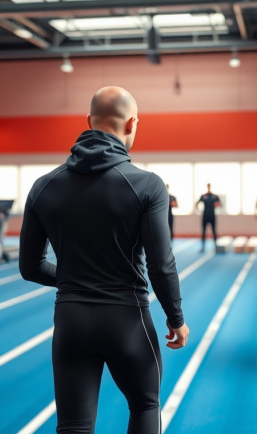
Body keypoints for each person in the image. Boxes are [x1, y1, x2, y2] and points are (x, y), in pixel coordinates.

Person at [19, 86, 190, 434]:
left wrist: (73, 279)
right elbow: (161, 263)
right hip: (127, 319)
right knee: (145, 405)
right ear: (132, 123)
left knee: (73, 425)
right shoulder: (148, 185)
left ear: (88, 122)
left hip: (70, 321)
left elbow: (30, 267)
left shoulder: (42, 186)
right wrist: (176, 317)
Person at [196, 183, 221, 252]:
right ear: (207, 187)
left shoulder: (215, 196)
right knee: (203, 232)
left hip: (212, 215)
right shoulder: (203, 196)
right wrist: (198, 210)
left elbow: (220, 205)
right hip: (205, 216)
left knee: (214, 231)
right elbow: (197, 203)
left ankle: (215, 246)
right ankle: (203, 247)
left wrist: (217, 204)